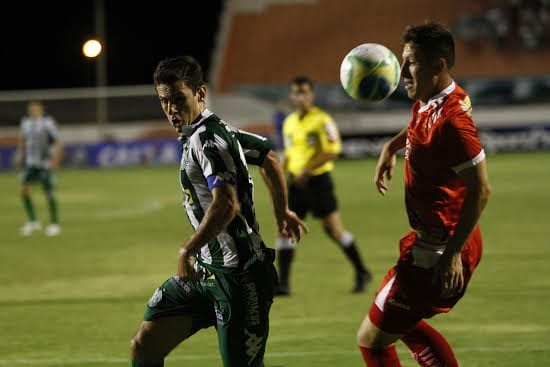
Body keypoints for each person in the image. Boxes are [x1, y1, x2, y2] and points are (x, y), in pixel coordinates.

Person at [130, 55, 307, 367]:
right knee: (144, 347)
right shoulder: (210, 131)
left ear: (200, 94)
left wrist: (187, 248)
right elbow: (269, 156)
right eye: (164, 101)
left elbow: (226, 204)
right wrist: (282, 212)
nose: (171, 109)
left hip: (241, 277)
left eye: (178, 99)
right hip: (204, 273)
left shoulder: (209, 139)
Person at [356, 22, 492, 367]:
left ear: (438, 65)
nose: (400, 72)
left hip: (441, 247)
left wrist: (451, 255)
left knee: (371, 341)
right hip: (437, 239)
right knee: (401, 322)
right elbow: (419, 122)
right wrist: (391, 146)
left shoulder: (453, 122)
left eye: (411, 62)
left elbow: (482, 189)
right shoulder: (432, 97)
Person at [275, 76, 372, 295]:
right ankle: (283, 284)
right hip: (295, 184)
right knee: (285, 230)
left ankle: (362, 271)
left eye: (304, 92)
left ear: (311, 95)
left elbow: (332, 150)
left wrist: (306, 170)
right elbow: (290, 154)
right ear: (291, 95)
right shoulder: (289, 122)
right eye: (296, 93)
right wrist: (281, 175)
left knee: (334, 231)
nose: (300, 97)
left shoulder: (322, 120)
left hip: (318, 182)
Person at [15, 100, 62, 236]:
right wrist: (20, 155)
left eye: (35, 109)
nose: (33, 111)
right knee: (24, 191)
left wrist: (55, 160)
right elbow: (23, 140)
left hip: (45, 163)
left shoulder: (47, 123)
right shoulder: (25, 123)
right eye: (31, 109)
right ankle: (33, 222)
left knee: (48, 192)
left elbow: (58, 141)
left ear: (41, 110)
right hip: (31, 163)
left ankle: (54, 224)